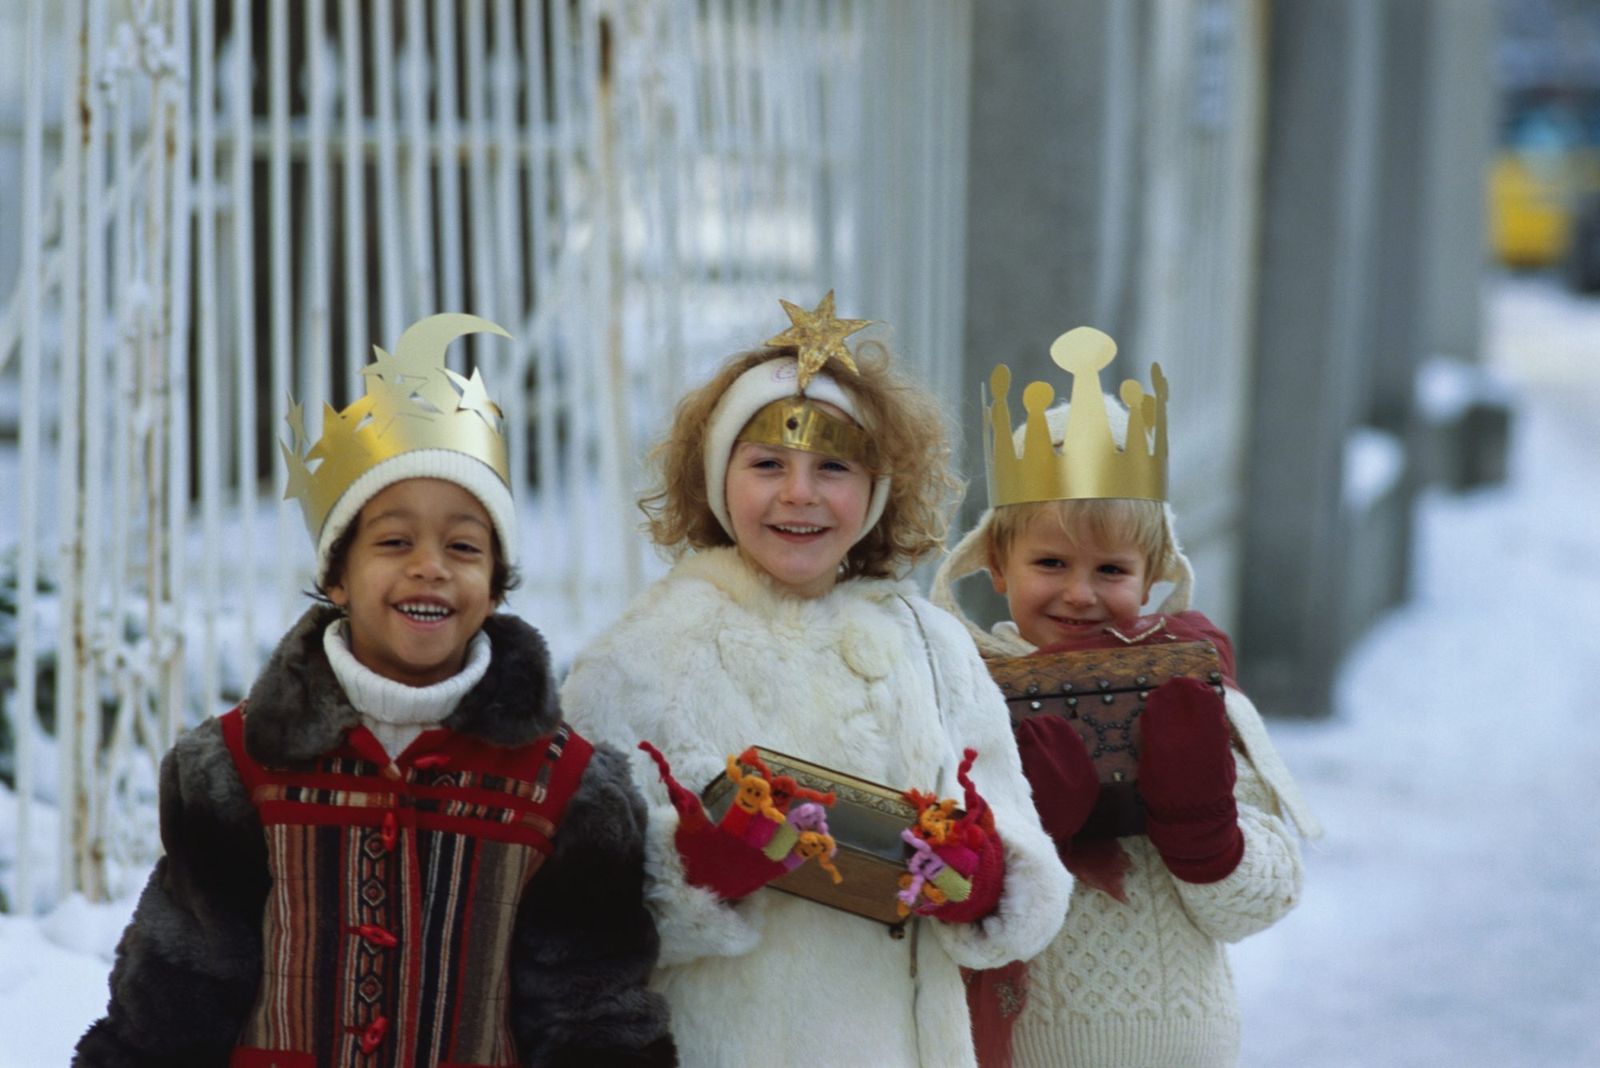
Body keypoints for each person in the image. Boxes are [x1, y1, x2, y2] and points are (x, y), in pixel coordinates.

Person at [74, 314, 674, 1067]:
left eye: (463, 547)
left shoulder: (569, 791)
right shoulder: (236, 767)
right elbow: (177, 991)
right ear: (336, 576)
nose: (430, 567)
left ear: (495, 588)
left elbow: (594, 1015)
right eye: (394, 541)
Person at [560, 294, 1072, 1067]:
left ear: (876, 490)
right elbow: (577, 916)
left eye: (833, 467)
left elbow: (1019, 851)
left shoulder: (934, 647)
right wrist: (695, 871)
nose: (799, 494)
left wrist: (988, 877)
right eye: (767, 464)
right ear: (714, 477)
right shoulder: (634, 661)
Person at [931, 326, 1321, 1068]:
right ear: (996, 565)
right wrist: (1022, 825)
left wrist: (1202, 824)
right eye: (1050, 561)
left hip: (1176, 1048)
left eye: (1111, 569)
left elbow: (1260, 902)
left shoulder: (1189, 690)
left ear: (1153, 575)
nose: (1079, 594)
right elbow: (929, 895)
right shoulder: (957, 692)